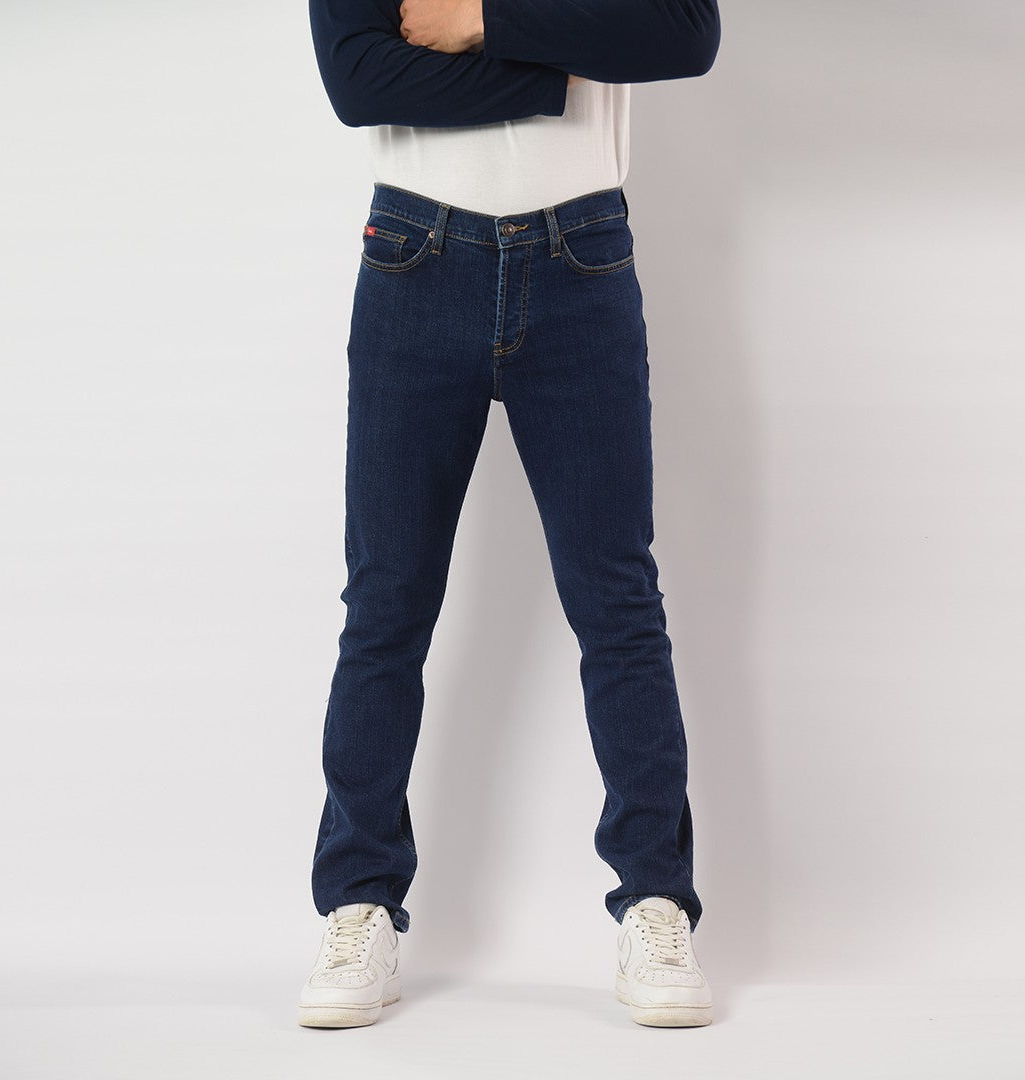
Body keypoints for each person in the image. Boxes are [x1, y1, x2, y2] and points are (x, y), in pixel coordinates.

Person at [298, 0, 721, 1029]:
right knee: (386, 604)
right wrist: (555, 66)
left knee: (618, 602)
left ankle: (656, 901)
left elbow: (681, 36)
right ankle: (358, 903)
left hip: (583, 252)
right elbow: (359, 81)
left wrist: (479, 21)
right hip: (414, 253)